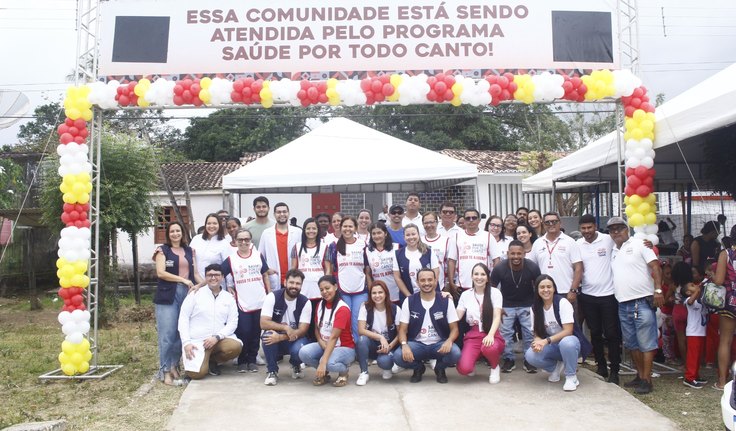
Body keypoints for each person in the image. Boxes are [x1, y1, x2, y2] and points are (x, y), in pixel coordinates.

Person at [608, 216, 663, 394]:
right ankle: (640, 376)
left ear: (627, 229)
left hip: (642, 301)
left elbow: (655, 267)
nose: (616, 232)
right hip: (623, 303)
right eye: (612, 229)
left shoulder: (640, 244)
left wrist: (658, 290)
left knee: (646, 342)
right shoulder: (614, 251)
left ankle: (647, 379)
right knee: (632, 344)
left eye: (619, 228)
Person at [153, 221, 204, 385]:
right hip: (168, 295)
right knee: (167, 334)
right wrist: (182, 279)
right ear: (168, 234)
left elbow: (195, 274)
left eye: (178, 231)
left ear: (183, 233)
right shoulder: (163, 250)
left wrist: (204, 285)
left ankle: (174, 365)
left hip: (187, 295)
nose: (175, 233)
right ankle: (165, 371)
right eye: (172, 231)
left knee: (181, 334)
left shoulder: (190, 251)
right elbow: (161, 273)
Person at [393, 269, 461, 383]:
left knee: (455, 353)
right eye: (422, 280)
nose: (426, 283)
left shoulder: (446, 301)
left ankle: (440, 369)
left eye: (430, 280)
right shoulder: (409, 301)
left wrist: (449, 340)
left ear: (435, 281)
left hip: (439, 344)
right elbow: (402, 330)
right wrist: (404, 345)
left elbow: (455, 329)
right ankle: (418, 368)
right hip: (417, 344)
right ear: (417, 282)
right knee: (398, 356)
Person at [576, 214, 621, 384]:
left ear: (595, 226)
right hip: (587, 295)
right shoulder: (577, 244)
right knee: (594, 332)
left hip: (609, 295)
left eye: (589, 227)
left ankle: (614, 369)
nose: (587, 231)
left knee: (611, 334)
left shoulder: (608, 239)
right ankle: (601, 365)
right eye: (583, 228)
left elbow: (624, 241)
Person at [524, 275, 588, 392]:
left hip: (571, 344)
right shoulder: (535, 308)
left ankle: (571, 376)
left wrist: (546, 341)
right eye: (542, 287)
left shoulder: (562, 303)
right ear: (537, 290)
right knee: (530, 355)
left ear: (554, 288)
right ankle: (555, 367)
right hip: (553, 346)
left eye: (549, 286)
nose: (546, 290)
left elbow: (568, 331)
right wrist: (538, 341)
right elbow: (537, 333)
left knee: (567, 342)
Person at [178, 263, 241, 380]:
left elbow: (233, 322)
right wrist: (186, 343)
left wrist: (217, 337)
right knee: (197, 375)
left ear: (222, 277)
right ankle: (201, 362)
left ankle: (212, 361)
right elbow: (183, 318)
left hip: (217, 340)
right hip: (197, 341)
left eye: (216, 275)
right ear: (205, 277)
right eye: (209, 275)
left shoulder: (228, 298)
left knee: (235, 346)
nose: (213, 278)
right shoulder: (195, 294)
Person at [221, 228, 271, 373]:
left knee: (256, 333)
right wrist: (229, 286)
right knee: (244, 331)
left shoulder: (258, 255)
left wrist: (269, 294)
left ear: (250, 241)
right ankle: (242, 360)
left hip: (260, 300)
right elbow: (219, 273)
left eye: (246, 240)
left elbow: (265, 275)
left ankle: (252, 359)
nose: (243, 242)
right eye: (240, 240)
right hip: (242, 302)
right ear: (235, 242)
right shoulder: (231, 259)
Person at [491, 240, 541, 373]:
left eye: (519, 253)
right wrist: (497, 307)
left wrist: (536, 306)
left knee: (529, 333)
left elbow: (539, 287)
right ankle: (509, 359)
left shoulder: (532, 267)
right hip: (506, 306)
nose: (516, 257)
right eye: (512, 254)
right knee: (506, 333)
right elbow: (492, 289)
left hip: (527, 305)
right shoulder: (500, 268)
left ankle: (529, 359)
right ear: (508, 254)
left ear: (524, 254)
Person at [298, 275, 355, 387]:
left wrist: (323, 362)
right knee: (303, 353)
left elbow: (334, 337)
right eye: (321, 290)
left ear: (335, 287)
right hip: (324, 345)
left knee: (328, 363)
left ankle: (343, 371)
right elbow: (317, 328)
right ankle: (324, 372)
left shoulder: (342, 308)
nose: (324, 292)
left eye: (327, 288)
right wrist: (320, 342)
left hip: (344, 347)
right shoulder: (320, 305)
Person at [260, 269, 313, 386]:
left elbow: (303, 330)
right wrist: (286, 328)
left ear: (301, 285)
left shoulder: (305, 302)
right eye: (291, 282)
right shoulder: (272, 297)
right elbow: (263, 323)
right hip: (276, 337)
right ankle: (272, 371)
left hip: (295, 339)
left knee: (300, 348)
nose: (294, 286)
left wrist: (281, 337)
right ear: (285, 282)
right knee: (267, 336)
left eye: (298, 283)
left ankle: (296, 365)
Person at [456, 263, 505, 383]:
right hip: (474, 334)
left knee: (489, 347)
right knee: (464, 369)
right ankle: (472, 362)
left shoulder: (495, 293)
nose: (479, 277)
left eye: (483, 274)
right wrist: (447, 300)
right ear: (472, 276)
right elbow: (456, 316)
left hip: (491, 332)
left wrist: (490, 335)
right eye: (476, 274)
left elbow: (497, 316)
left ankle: (494, 367)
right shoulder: (466, 295)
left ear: (487, 277)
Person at [326, 216, 367, 341]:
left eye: (350, 226)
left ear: (355, 228)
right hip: (342, 290)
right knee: (345, 319)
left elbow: (368, 268)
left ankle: (359, 348)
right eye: (345, 226)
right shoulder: (333, 246)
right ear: (340, 227)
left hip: (361, 289)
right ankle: (346, 346)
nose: (347, 229)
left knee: (357, 320)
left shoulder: (363, 244)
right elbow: (329, 267)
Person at [447, 208, 501, 296]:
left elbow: (497, 260)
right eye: (468, 218)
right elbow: (451, 261)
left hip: (483, 284)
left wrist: (492, 280)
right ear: (464, 220)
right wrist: (452, 283)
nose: (471, 220)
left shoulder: (488, 236)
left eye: (474, 218)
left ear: (479, 220)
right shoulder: (456, 236)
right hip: (462, 285)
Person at [530, 212, 582, 302]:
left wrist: (573, 290)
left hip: (566, 291)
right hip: (544, 292)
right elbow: (531, 267)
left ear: (560, 223)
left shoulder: (570, 242)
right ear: (543, 224)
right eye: (547, 222)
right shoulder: (537, 243)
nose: (551, 224)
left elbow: (578, 268)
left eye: (554, 222)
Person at [356, 281, 399, 385]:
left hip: (389, 345)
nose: (377, 296)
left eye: (380, 292)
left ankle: (387, 366)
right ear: (370, 295)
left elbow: (400, 333)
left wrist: (389, 345)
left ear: (386, 294)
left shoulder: (395, 309)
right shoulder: (365, 308)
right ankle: (364, 372)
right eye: (374, 293)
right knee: (361, 340)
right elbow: (361, 330)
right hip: (373, 345)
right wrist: (380, 337)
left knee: (385, 364)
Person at [260, 202, 301, 291]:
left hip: (294, 278)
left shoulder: (298, 232)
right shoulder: (266, 233)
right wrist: (266, 269)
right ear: (274, 214)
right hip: (274, 278)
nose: (282, 214)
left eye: (284, 211)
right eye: (278, 212)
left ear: (288, 213)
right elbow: (260, 256)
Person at [394, 223, 440, 300]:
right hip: (408, 296)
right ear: (404, 237)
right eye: (408, 235)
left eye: (413, 234)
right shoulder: (398, 254)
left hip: (431, 295)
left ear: (418, 235)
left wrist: (428, 292)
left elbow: (436, 273)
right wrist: (410, 297)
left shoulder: (428, 251)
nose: (411, 237)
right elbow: (397, 277)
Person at [713, 239, 736, 390]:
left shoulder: (726, 254)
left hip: (730, 301)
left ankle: (722, 382)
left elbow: (719, 280)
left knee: (725, 341)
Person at [680, 272, 708, 388]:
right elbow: (691, 301)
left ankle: (695, 375)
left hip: (701, 332)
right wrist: (698, 290)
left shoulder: (700, 300)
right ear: (688, 292)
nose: (695, 286)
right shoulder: (688, 301)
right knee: (692, 355)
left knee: (698, 356)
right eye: (692, 285)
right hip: (693, 333)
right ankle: (689, 377)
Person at [290, 218, 327, 303]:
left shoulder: (324, 247)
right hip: (302, 290)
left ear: (318, 230)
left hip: (319, 291)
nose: (311, 231)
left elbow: (328, 270)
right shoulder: (296, 247)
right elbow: (293, 269)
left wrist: (326, 287)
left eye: (314, 228)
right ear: (304, 230)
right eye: (308, 228)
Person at [363, 222, 400, 303]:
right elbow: (368, 275)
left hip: (396, 293)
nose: (376, 236)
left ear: (385, 233)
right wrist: (371, 294)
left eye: (379, 233)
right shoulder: (367, 251)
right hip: (378, 296)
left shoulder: (397, 248)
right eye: (374, 234)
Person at [189, 213, 231, 280]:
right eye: (209, 223)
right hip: (195, 282)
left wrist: (229, 285)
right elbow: (189, 258)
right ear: (205, 225)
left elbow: (228, 266)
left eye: (215, 223)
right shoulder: (196, 239)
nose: (211, 226)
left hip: (215, 284)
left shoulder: (224, 243)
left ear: (219, 225)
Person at [422, 211, 450, 292]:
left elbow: (449, 265)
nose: (429, 225)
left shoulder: (446, 241)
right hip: (423, 285)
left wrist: (447, 284)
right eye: (426, 223)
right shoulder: (419, 241)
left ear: (437, 223)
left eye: (431, 222)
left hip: (441, 286)